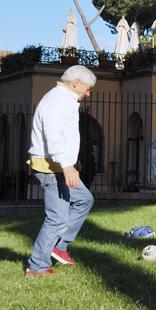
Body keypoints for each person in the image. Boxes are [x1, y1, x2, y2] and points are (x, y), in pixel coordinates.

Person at [26, 65, 97, 276]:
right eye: (87, 88)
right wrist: (67, 165)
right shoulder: (58, 100)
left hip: (59, 164)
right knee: (57, 218)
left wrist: (71, 163)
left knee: (84, 199)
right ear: (76, 83)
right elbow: (53, 136)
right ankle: (37, 266)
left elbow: (64, 136)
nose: (88, 93)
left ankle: (59, 246)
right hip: (51, 167)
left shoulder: (65, 99)